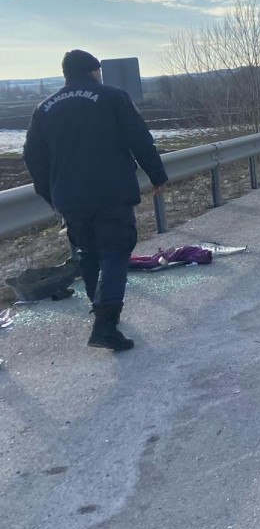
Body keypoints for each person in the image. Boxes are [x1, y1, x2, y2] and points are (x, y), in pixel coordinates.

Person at [22, 50, 168, 351]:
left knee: (88, 253)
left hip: (70, 198)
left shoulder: (44, 108)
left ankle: (100, 311)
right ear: (93, 71)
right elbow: (139, 138)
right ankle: (105, 324)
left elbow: (33, 157)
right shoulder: (112, 97)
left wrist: (52, 193)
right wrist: (157, 176)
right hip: (110, 191)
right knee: (115, 250)